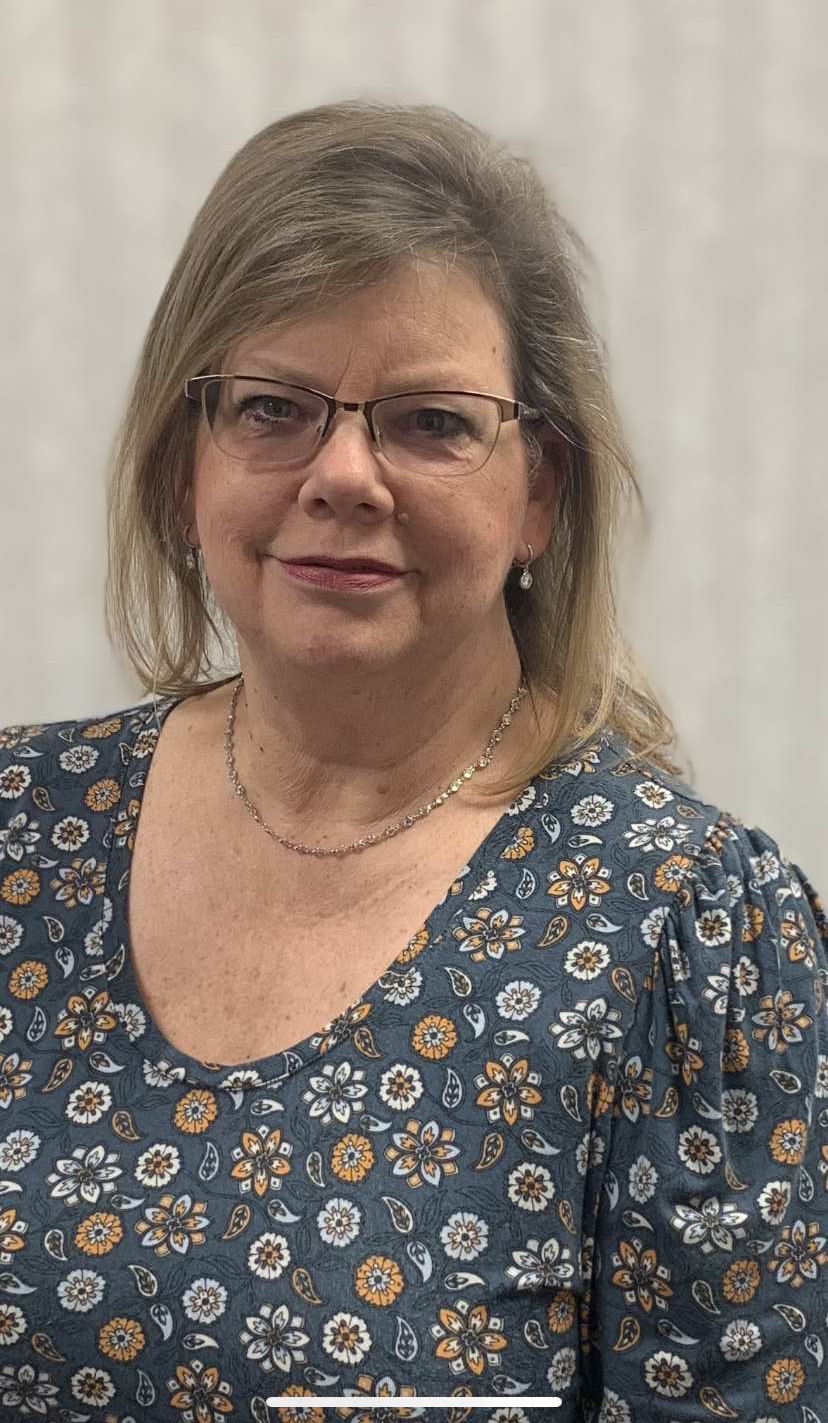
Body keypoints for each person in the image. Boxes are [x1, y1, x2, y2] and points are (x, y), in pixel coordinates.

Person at [0, 103, 826, 1423]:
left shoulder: (685, 936)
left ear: (539, 491)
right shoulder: (19, 831)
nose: (344, 475)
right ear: (183, 462)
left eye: (431, 422)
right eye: (273, 408)